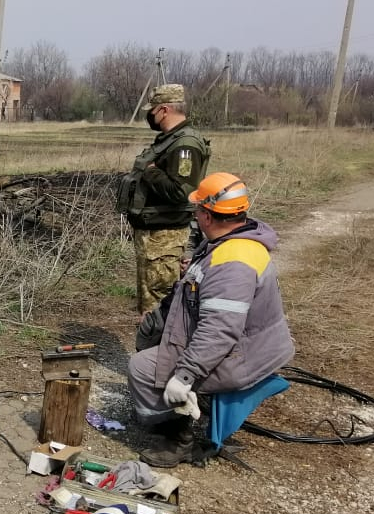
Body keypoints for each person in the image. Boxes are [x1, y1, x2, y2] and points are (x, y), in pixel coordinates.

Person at [127, 173, 295, 467]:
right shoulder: (236, 240)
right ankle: (185, 406)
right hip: (250, 344)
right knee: (152, 335)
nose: (195, 216)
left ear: (206, 215)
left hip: (241, 356)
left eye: (197, 211)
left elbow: (219, 332)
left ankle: (178, 439)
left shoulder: (232, 264)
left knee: (141, 368)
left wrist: (184, 376)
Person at [116, 83, 210, 313]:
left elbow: (182, 192)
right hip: (153, 236)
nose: (150, 114)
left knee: (160, 306)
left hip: (165, 238)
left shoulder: (184, 145)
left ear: (164, 110)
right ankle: (152, 346)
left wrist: (150, 172)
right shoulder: (170, 139)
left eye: (153, 109)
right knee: (150, 304)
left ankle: (160, 349)